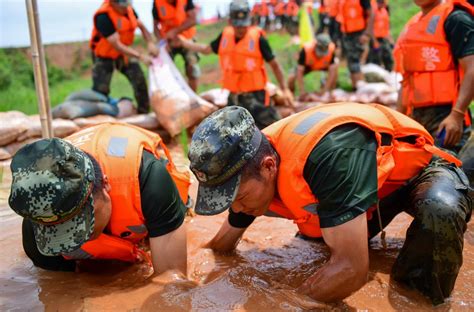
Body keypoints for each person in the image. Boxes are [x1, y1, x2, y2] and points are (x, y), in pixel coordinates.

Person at [188, 104, 472, 305]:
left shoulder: (328, 155)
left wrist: (286, 304)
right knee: (314, 242)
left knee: (440, 211)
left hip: (416, 170)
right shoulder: (248, 168)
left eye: (237, 198)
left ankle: (421, 298)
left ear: (268, 166)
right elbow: (221, 245)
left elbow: (352, 268)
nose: (236, 207)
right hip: (364, 191)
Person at [8, 123, 190, 275]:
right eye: (61, 230)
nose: (77, 237)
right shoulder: (39, 229)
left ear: (105, 184)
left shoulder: (149, 178)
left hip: (144, 188)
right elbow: (59, 290)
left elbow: (172, 281)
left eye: (82, 221)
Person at [178, 0, 293, 130]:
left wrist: (285, 89)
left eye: (244, 25)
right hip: (234, 97)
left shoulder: (258, 38)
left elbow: (275, 65)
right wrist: (184, 43)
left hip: (256, 97)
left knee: (274, 128)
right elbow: (206, 49)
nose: (241, 29)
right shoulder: (225, 36)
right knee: (230, 134)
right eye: (237, 25)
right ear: (230, 22)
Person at [395, 0, 474, 152]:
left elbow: (472, 68)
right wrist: (398, 119)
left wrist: (457, 114)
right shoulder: (413, 25)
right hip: (416, 119)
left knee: (447, 171)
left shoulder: (456, 19)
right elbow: (406, 79)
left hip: (446, 119)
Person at [90, 0, 157, 114]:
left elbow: (141, 26)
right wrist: (141, 56)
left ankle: (144, 112)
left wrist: (150, 42)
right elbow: (117, 45)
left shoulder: (129, 9)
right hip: (104, 56)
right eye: (123, 6)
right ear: (113, 3)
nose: (126, 8)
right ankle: (100, 118)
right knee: (100, 90)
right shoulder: (103, 16)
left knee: (139, 78)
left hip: (123, 54)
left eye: (128, 4)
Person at [152, 0, 200, 91]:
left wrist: (175, 31)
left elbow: (193, 19)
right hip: (168, 41)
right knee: (165, 71)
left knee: (192, 68)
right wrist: (162, 43)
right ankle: (172, 97)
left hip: (187, 38)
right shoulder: (157, 2)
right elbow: (155, 26)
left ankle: (193, 97)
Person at [287, 33, 339, 99]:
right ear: (315, 45)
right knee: (291, 77)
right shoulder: (306, 50)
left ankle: (331, 92)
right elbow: (300, 71)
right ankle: (291, 97)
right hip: (308, 66)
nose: (320, 55)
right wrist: (302, 91)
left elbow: (332, 71)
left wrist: (324, 90)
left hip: (323, 65)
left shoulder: (331, 49)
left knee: (335, 66)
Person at [339, 0, 374, 89]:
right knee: (351, 61)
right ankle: (355, 87)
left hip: (359, 33)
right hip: (348, 34)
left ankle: (361, 87)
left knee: (357, 61)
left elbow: (371, 15)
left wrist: (367, 34)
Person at [367, 0, 393, 71]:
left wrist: (390, 40)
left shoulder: (385, 11)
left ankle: (388, 75)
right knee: (376, 61)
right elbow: (370, 28)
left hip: (384, 39)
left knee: (389, 59)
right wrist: (374, 41)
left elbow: (387, 27)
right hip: (375, 39)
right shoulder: (373, 11)